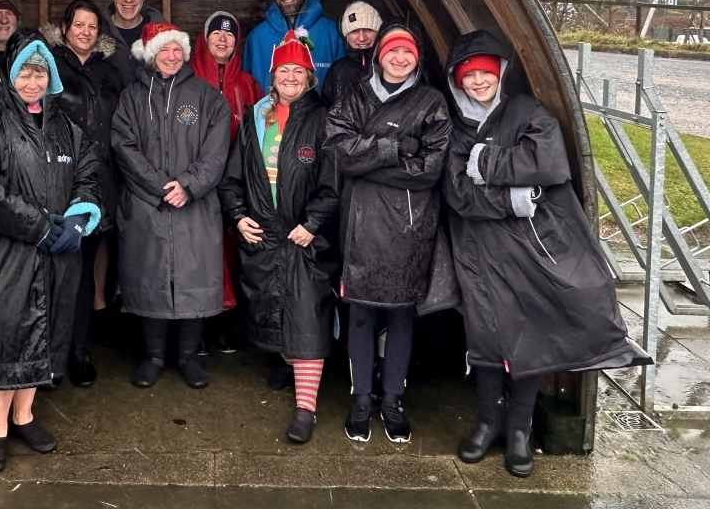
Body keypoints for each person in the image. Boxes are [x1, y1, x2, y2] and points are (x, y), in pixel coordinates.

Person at [443, 30, 649, 478]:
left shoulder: (527, 111)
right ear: (458, 80)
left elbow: (548, 163)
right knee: (486, 335)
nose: (477, 82)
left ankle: (520, 428)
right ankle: (486, 421)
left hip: (528, 248)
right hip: (478, 249)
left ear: (499, 73)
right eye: (468, 76)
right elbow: (459, 194)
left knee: (530, 332)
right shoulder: (455, 128)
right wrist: (515, 198)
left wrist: (485, 163)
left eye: (484, 73)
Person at [0, 28, 101, 473]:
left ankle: (25, 416)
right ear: (10, 76)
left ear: (50, 76)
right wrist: (36, 225)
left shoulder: (63, 124)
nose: (32, 82)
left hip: (55, 250)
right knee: (6, 335)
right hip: (1, 250)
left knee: (45, 328)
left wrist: (79, 214)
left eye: (40, 73)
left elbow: (88, 168)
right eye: (25, 73)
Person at [325, 23, 451, 444]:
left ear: (417, 58)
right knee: (360, 310)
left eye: (408, 53)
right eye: (393, 51)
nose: (399, 59)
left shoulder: (431, 101)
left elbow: (430, 170)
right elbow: (341, 152)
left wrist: (370, 157)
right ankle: (361, 397)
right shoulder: (354, 95)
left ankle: (393, 398)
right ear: (380, 54)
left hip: (409, 223)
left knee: (400, 313)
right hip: (360, 220)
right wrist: (397, 147)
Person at [218, 30, 339, 444]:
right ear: (273, 76)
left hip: (304, 235)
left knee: (307, 316)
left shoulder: (324, 120)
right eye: (283, 70)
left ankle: (306, 407)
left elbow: (333, 183)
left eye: (298, 71)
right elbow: (231, 179)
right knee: (273, 305)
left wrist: (313, 223)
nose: (290, 77)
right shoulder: (255, 117)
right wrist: (237, 217)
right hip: (266, 235)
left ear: (310, 77)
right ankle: (285, 364)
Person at [111, 22, 231, 389]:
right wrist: (161, 187)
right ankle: (154, 356)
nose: (172, 56)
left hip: (194, 206)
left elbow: (216, 153)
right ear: (151, 55)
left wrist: (189, 186)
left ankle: (188, 357)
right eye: (164, 50)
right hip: (149, 204)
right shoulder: (132, 97)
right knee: (151, 278)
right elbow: (123, 146)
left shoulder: (209, 98)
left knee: (192, 278)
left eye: (177, 49)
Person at [41, 0, 126, 387]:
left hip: (99, 182)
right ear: (65, 26)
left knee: (83, 272)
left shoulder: (111, 73)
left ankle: (77, 351)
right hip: (55, 178)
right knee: (48, 270)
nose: (86, 31)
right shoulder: (50, 66)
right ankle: (44, 354)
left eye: (92, 26)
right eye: (79, 25)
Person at [191, 11, 263, 352]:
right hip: (199, 183)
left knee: (232, 253)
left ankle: (228, 321)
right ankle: (201, 323)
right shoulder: (189, 78)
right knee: (202, 255)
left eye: (230, 35)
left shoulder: (247, 84)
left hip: (235, 184)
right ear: (205, 39)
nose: (223, 40)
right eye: (216, 35)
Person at [242, 0, 344, 92]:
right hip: (268, 112)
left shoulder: (332, 33)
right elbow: (247, 88)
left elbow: (343, 86)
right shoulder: (257, 37)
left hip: (320, 112)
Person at [322, 0, 384, 109]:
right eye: (354, 31)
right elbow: (326, 110)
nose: (362, 38)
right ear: (345, 35)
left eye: (368, 30)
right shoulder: (337, 70)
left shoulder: (391, 66)